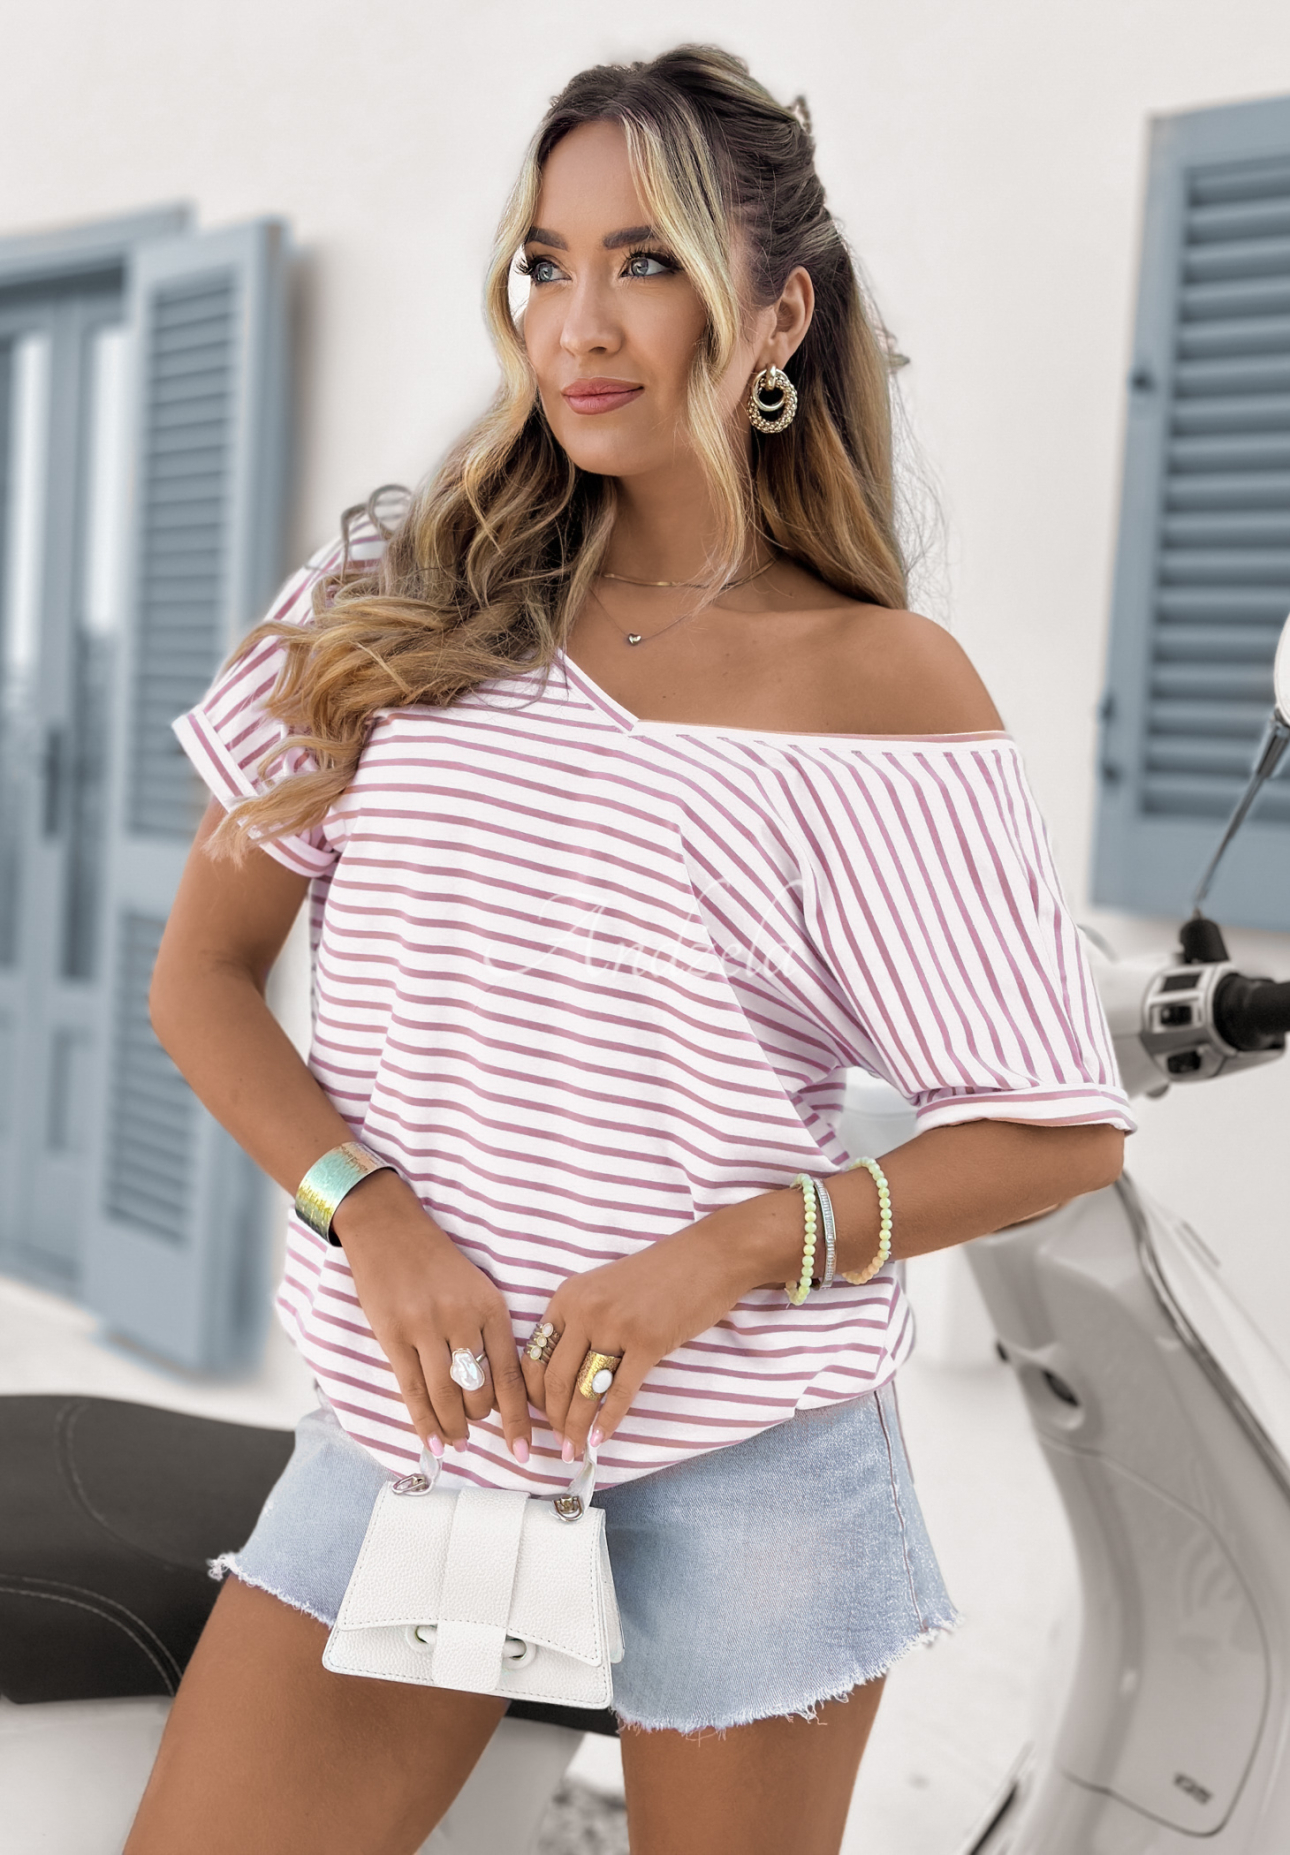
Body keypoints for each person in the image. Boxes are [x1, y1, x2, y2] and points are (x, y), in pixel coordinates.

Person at [126, 45, 1130, 1855]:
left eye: (645, 261)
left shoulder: (882, 690)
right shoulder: (389, 602)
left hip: (755, 1463)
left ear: (776, 313)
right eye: (544, 261)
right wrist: (379, 1211)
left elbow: (1055, 1127)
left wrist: (727, 1252)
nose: (579, 323)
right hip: (414, 1431)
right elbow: (198, 981)